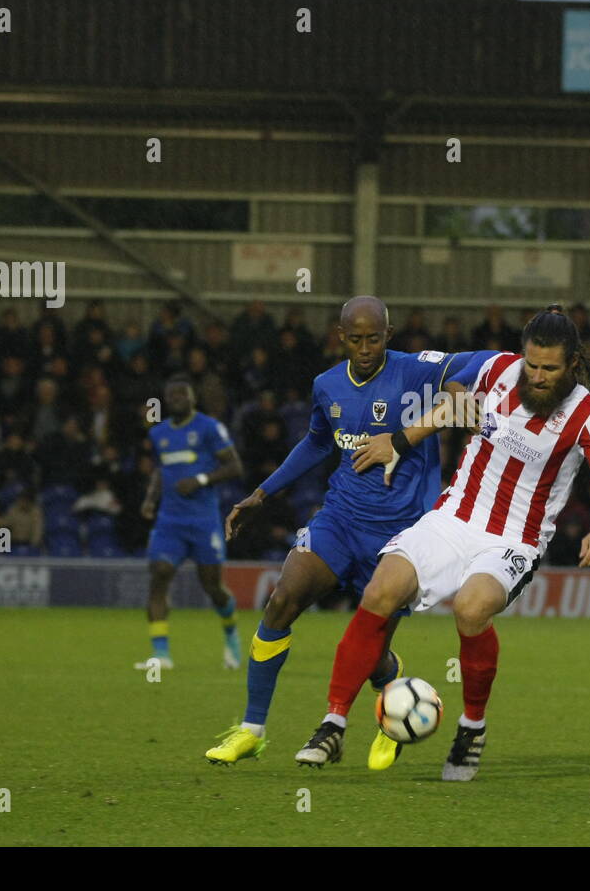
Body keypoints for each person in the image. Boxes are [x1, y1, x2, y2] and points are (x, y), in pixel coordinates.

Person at [294, 304, 590, 781]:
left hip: (514, 538)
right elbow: (450, 392)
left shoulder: (588, 417)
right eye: (531, 364)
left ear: (572, 365)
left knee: (471, 609)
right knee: (380, 591)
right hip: (453, 518)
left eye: (548, 369)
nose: (535, 376)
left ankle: (472, 727)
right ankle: (332, 724)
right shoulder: (497, 368)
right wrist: (402, 438)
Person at [205, 296, 493, 769]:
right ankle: (252, 730)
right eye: (355, 339)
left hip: (402, 537)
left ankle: (390, 705)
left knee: (372, 651)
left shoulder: (416, 373)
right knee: (282, 599)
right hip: (339, 519)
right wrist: (264, 492)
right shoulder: (327, 385)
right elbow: (318, 442)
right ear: (340, 337)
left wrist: (518, 357)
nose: (364, 348)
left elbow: (477, 363)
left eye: (374, 338)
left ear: (389, 334)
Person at [135, 375, 245, 671]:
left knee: (212, 586)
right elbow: (162, 470)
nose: (177, 400)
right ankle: (161, 655)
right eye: (171, 396)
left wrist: (201, 479)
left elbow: (235, 466)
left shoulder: (209, 428)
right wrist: (150, 499)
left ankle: (232, 636)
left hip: (202, 520)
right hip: (169, 520)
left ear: (192, 397)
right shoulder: (159, 434)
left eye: (183, 395)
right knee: (160, 574)